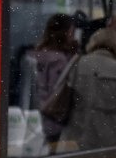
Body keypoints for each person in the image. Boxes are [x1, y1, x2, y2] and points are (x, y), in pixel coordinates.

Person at [62, 28, 116, 151]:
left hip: (78, 136)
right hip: (111, 139)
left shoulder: (78, 63)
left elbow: (67, 96)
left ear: (93, 43)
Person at [21, 14, 78, 144]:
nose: (73, 36)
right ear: (65, 33)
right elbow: (57, 92)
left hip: (31, 116)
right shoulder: (59, 60)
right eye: (71, 32)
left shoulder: (33, 54)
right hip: (51, 120)